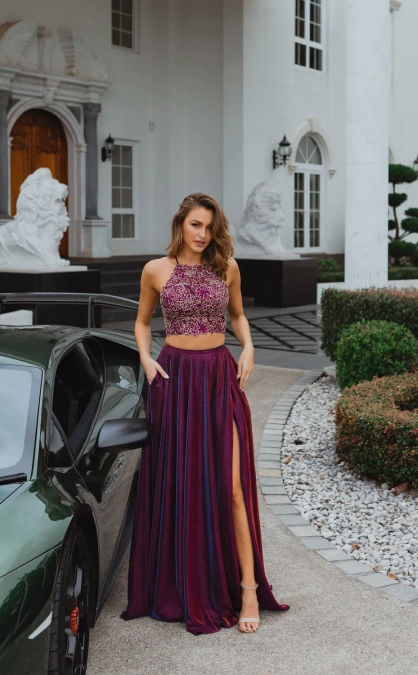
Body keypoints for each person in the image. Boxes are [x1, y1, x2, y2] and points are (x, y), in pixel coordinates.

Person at [121, 193, 289, 635]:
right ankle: (186, 582)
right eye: (195, 225)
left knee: (231, 487)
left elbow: (237, 316)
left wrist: (249, 346)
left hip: (218, 379)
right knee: (183, 483)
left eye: (209, 227)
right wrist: (145, 358)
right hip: (175, 381)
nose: (202, 234)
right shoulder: (155, 270)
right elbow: (141, 322)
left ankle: (249, 588)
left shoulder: (227, 266)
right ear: (181, 224)